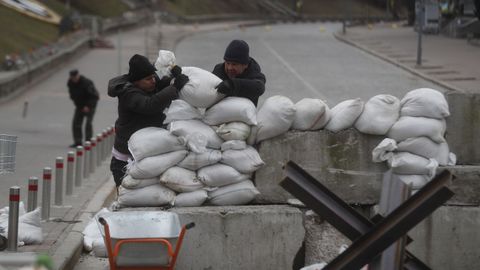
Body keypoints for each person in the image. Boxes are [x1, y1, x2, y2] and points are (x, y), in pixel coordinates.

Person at [108, 54, 189, 187]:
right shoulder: (128, 94)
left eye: (153, 77)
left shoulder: (149, 85)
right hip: (125, 160)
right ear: (136, 81)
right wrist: (174, 88)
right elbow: (149, 105)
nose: (153, 81)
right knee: (127, 196)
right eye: (148, 79)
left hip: (147, 155)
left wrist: (174, 77)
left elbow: (161, 85)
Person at [213, 39, 266, 106]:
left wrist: (232, 85)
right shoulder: (219, 70)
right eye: (227, 63)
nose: (229, 68)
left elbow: (259, 87)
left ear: (245, 65)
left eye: (234, 64)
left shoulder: (254, 74)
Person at [67, 69, 99, 148]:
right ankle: (78, 141)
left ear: (78, 75)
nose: (74, 79)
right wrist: (80, 106)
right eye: (72, 78)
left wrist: (88, 106)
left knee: (88, 123)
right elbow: (73, 96)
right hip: (80, 106)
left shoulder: (87, 83)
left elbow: (95, 96)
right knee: (76, 123)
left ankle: (88, 141)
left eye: (75, 77)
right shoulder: (70, 83)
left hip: (90, 105)